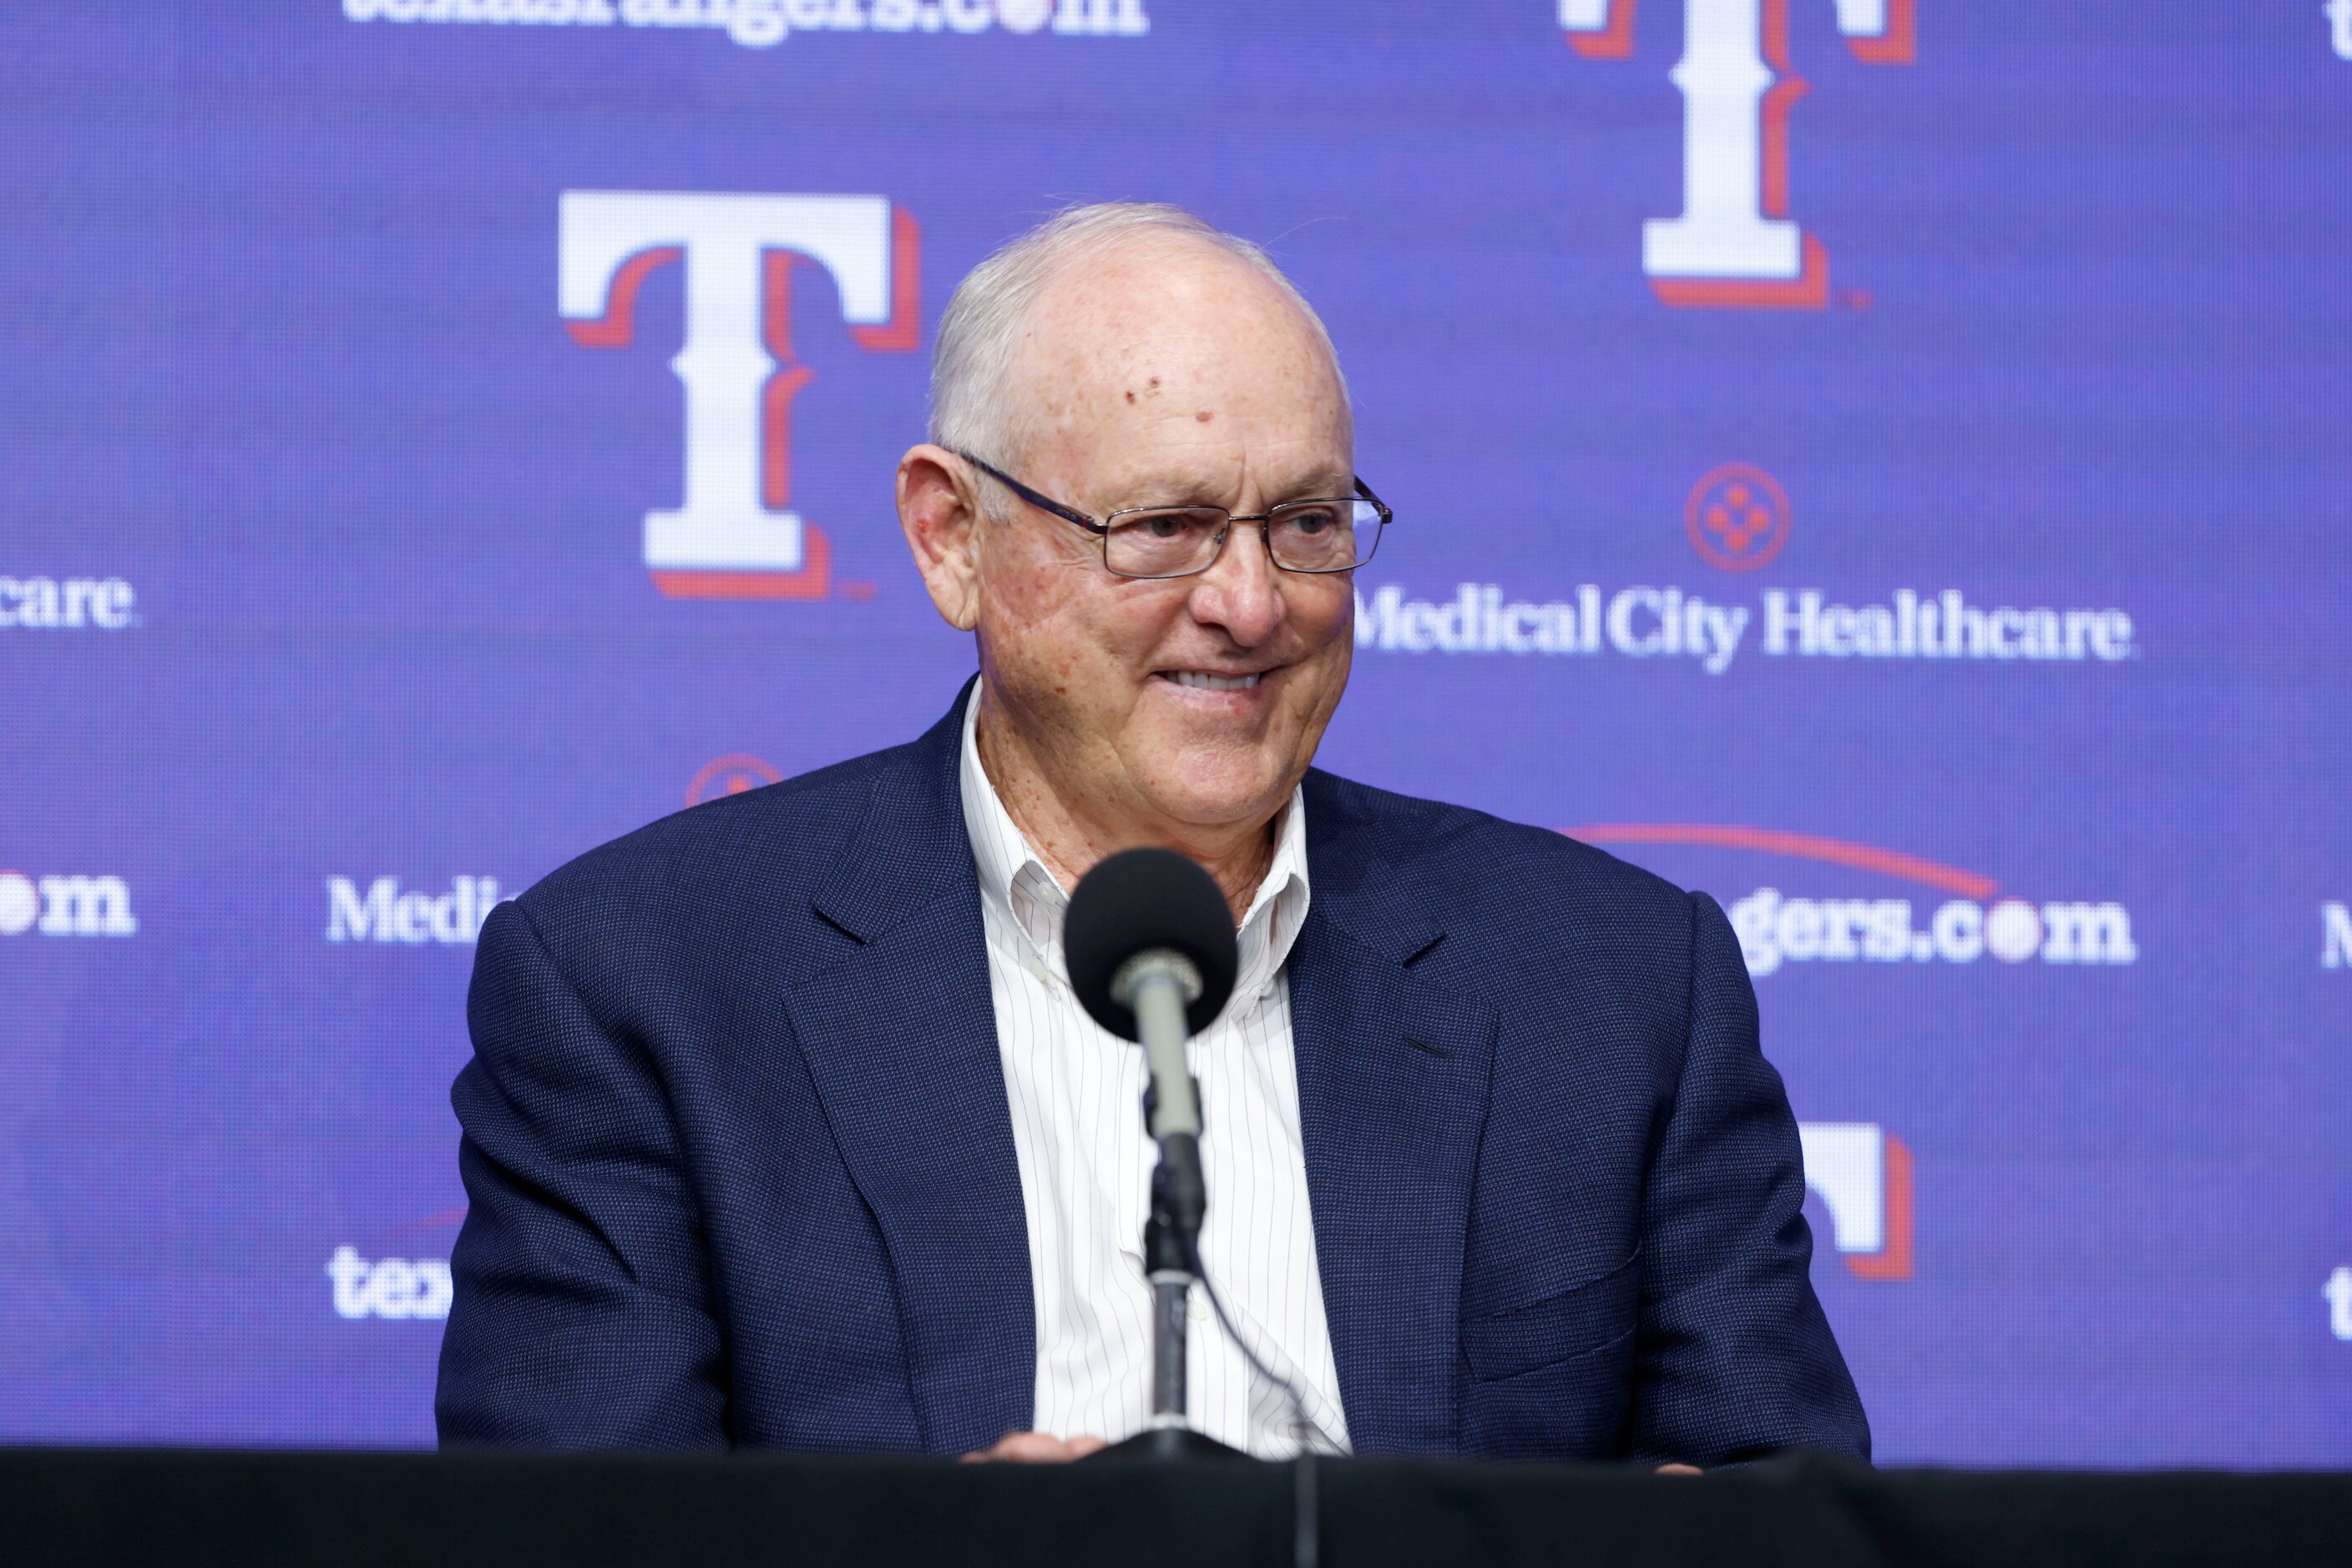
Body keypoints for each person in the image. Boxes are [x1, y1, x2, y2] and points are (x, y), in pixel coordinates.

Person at [435, 203, 1869, 1466]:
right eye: (1166, 526)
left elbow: (1779, 1507)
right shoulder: (644, 988)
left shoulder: (1616, 985)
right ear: (952, 536)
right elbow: (576, 1534)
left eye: (1306, 521)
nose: (1253, 602)